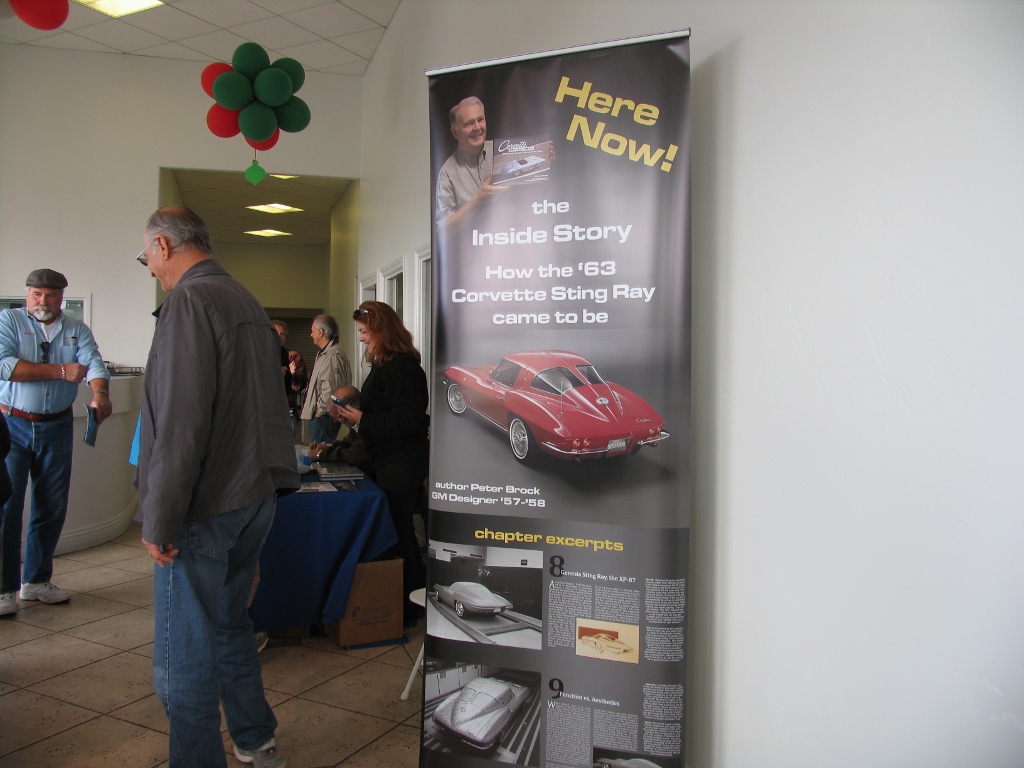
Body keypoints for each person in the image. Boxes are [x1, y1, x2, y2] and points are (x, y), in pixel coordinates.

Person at [135, 206, 298, 768]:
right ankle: (256, 739)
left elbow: (182, 421)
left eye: (147, 257)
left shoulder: (188, 301)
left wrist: (158, 519)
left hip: (206, 506)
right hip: (254, 496)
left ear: (162, 244)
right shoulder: (245, 299)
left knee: (181, 659)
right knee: (229, 626)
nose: (150, 267)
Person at [0, 269, 111, 617]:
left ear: (61, 297)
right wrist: (62, 371)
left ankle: (35, 582)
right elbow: (5, 366)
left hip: (56, 426)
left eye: (50, 295)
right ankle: (4, 589)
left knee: (51, 505)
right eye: (36, 294)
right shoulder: (9, 320)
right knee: (7, 505)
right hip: (11, 424)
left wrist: (100, 393)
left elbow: (93, 363)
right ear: (27, 294)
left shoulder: (76, 329)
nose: (43, 302)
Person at [332, 301, 429, 626]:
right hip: (388, 461)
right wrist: (357, 420)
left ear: (380, 331)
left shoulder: (402, 367)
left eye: (363, 332)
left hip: (401, 464)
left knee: (402, 534)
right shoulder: (386, 365)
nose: (360, 339)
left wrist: (363, 418)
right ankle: (402, 605)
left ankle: (409, 608)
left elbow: (410, 421)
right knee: (398, 532)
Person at [435, 96, 506, 235]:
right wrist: (477, 200)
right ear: (455, 132)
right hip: (473, 253)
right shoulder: (447, 173)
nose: (477, 127)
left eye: (480, 120)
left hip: (513, 241)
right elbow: (443, 229)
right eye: (469, 124)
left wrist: (545, 160)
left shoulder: (503, 150)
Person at [300, 314, 351, 445]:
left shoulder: (332, 355)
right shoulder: (325, 354)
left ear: (321, 332)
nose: (311, 335)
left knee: (318, 457)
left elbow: (331, 389)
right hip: (322, 417)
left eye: (312, 331)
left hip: (324, 418)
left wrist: (320, 412)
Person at [307, 385, 369, 470]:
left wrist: (320, 454)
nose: (340, 421)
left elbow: (354, 455)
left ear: (350, 408)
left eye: (339, 416)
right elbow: (348, 442)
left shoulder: (369, 425)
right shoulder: (356, 426)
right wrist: (326, 447)